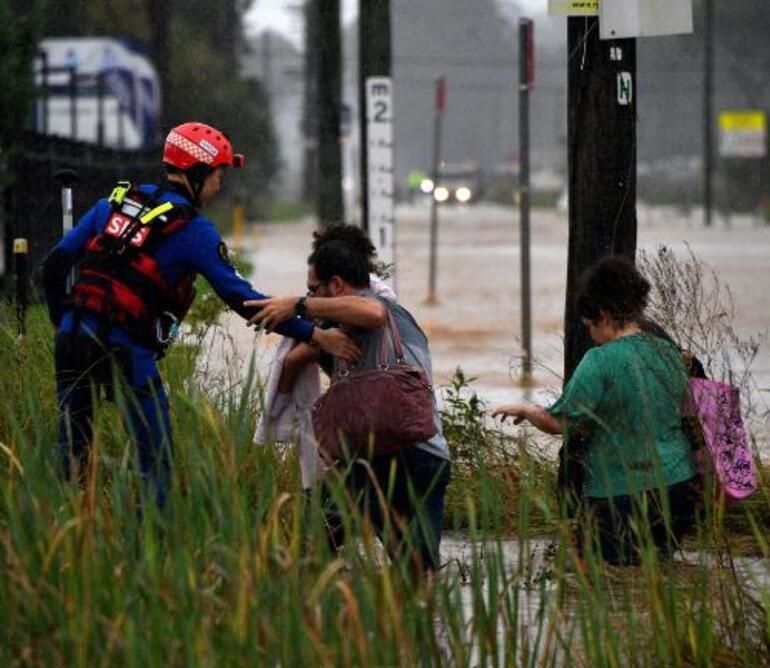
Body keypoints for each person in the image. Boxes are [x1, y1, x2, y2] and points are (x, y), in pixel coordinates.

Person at [42, 122, 358, 509]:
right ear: (197, 172)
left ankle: (60, 531)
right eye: (218, 173)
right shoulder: (193, 230)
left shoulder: (113, 203)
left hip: (71, 340)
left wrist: (63, 324)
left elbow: (54, 266)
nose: (220, 184)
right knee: (155, 463)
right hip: (126, 353)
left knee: (71, 453)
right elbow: (244, 302)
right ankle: (150, 546)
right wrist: (315, 334)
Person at [244, 224, 452, 575]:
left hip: (418, 459)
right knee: (309, 544)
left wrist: (297, 305)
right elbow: (286, 385)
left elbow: (372, 313)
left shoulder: (382, 308)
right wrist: (309, 345)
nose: (310, 297)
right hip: (370, 462)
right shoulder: (335, 337)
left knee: (416, 570)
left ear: (336, 286)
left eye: (314, 289)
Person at [492, 256, 699, 565]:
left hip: (621, 497)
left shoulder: (599, 360)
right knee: (657, 577)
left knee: (611, 589)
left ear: (602, 315)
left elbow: (560, 422)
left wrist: (528, 409)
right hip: (678, 489)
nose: (589, 333)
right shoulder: (667, 351)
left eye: (589, 325)